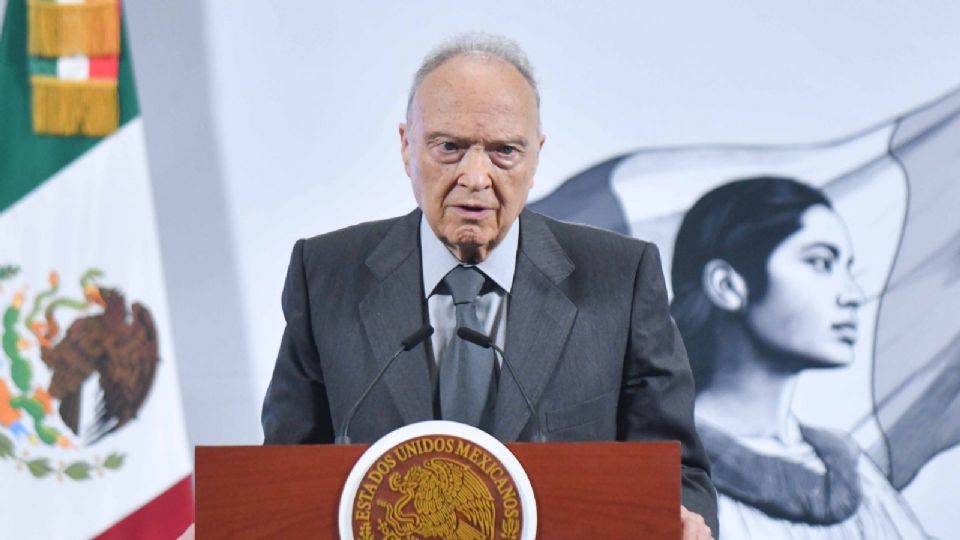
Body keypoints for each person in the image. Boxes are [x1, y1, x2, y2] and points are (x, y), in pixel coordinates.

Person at [261, 33, 716, 539]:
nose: (475, 177)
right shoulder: (325, 275)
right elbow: (284, 475)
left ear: (536, 156)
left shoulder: (619, 278)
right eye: (449, 147)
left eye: (504, 151)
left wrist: (686, 519)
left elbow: (678, 475)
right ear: (407, 145)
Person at [671, 177, 930, 539]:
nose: (853, 294)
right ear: (727, 286)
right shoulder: (660, 472)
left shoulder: (855, 473)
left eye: (847, 268)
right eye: (821, 262)